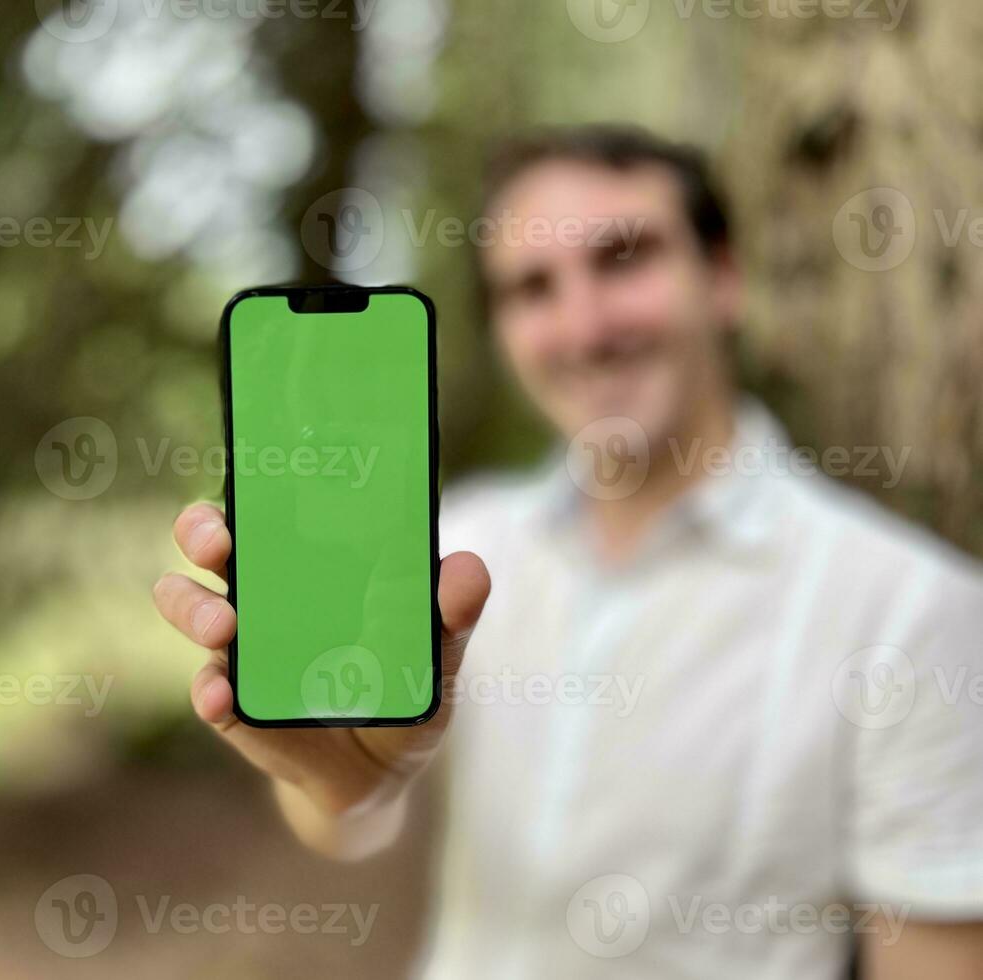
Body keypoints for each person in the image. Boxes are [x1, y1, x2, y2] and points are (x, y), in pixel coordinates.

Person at [151, 124, 983, 978]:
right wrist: (344, 782)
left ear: (723, 278)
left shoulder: (912, 610)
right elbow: (355, 821)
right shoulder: (459, 548)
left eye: (623, 258)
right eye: (532, 288)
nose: (583, 327)